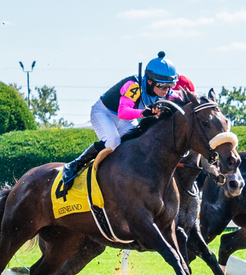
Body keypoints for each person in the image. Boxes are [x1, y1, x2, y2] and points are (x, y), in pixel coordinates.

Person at [57, 53, 184, 200]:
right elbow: (123, 112)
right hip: (104, 112)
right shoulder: (134, 85)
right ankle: (75, 164)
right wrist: (145, 113)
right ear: (150, 81)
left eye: (170, 85)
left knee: (140, 141)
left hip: (125, 118)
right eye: (162, 85)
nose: (167, 90)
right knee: (113, 141)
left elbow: (182, 103)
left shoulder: (166, 92)